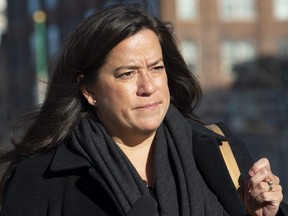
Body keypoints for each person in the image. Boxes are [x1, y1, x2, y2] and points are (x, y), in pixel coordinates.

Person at [0, 4, 287, 216]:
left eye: (156, 68)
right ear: (89, 90)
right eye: (127, 73)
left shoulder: (220, 150)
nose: (148, 86)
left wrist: (265, 214)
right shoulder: (40, 178)